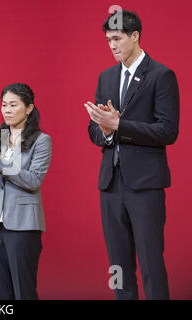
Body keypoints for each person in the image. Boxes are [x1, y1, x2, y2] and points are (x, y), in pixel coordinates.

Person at [84, 9, 179, 300]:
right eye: (107, 40)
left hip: (146, 186)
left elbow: (167, 131)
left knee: (151, 263)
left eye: (117, 38)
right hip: (111, 185)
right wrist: (107, 130)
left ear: (135, 36)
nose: (111, 45)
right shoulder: (106, 77)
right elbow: (94, 130)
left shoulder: (161, 75)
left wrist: (119, 125)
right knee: (118, 266)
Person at [0, 83, 52, 300]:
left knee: (24, 292)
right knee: (0, 293)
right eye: (3, 105)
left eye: (13, 105)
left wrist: (1, 165)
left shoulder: (41, 140)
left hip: (24, 226)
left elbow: (33, 181)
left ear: (29, 108)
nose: (7, 110)